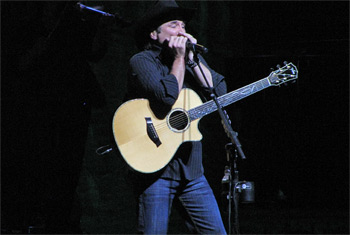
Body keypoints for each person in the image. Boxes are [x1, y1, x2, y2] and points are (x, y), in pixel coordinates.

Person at [124, 0, 228, 233]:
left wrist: (191, 60)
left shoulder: (192, 60)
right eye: (173, 25)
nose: (182, 30)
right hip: (155, 173)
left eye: (183, 25)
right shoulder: (142, 61)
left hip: (192, 172)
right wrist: (179, 59)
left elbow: (219, 93)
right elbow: (167, 97)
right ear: (154, 33)